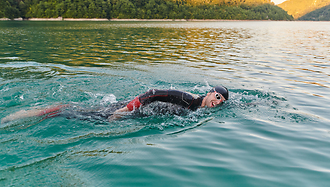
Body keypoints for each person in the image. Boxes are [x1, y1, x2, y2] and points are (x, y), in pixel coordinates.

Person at [1, 86, 229, 124]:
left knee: (81, 114)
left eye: (222, 102)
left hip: (136, 114)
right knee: (70, 114)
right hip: (129, 109)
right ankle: (23, 116)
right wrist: (124, 111)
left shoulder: (197, 109)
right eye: (217, 97)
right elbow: (152, 93)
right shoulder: (187, 99)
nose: (217, 103)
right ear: (210, 92)